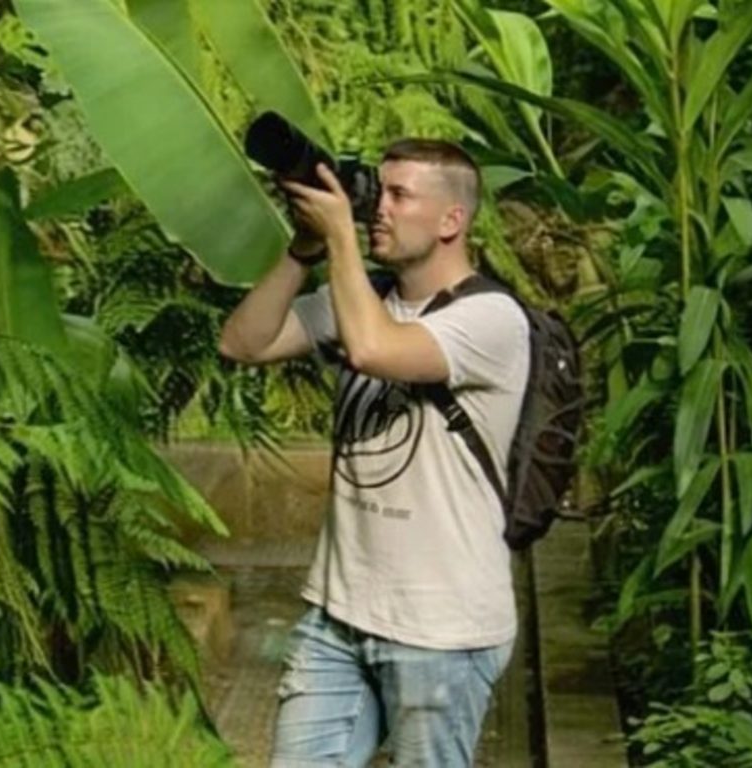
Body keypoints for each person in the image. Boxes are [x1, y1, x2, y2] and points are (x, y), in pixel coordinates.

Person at [218, 139, 530, 767]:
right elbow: (242, 343)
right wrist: (304, 248)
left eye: (400, 195)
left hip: (443, 632)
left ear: (452, 221)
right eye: (376, 192)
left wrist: (339, 242)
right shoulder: (366, 301)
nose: (376, 209)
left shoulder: (493, 318)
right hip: (338, 616)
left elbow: (373, 350)